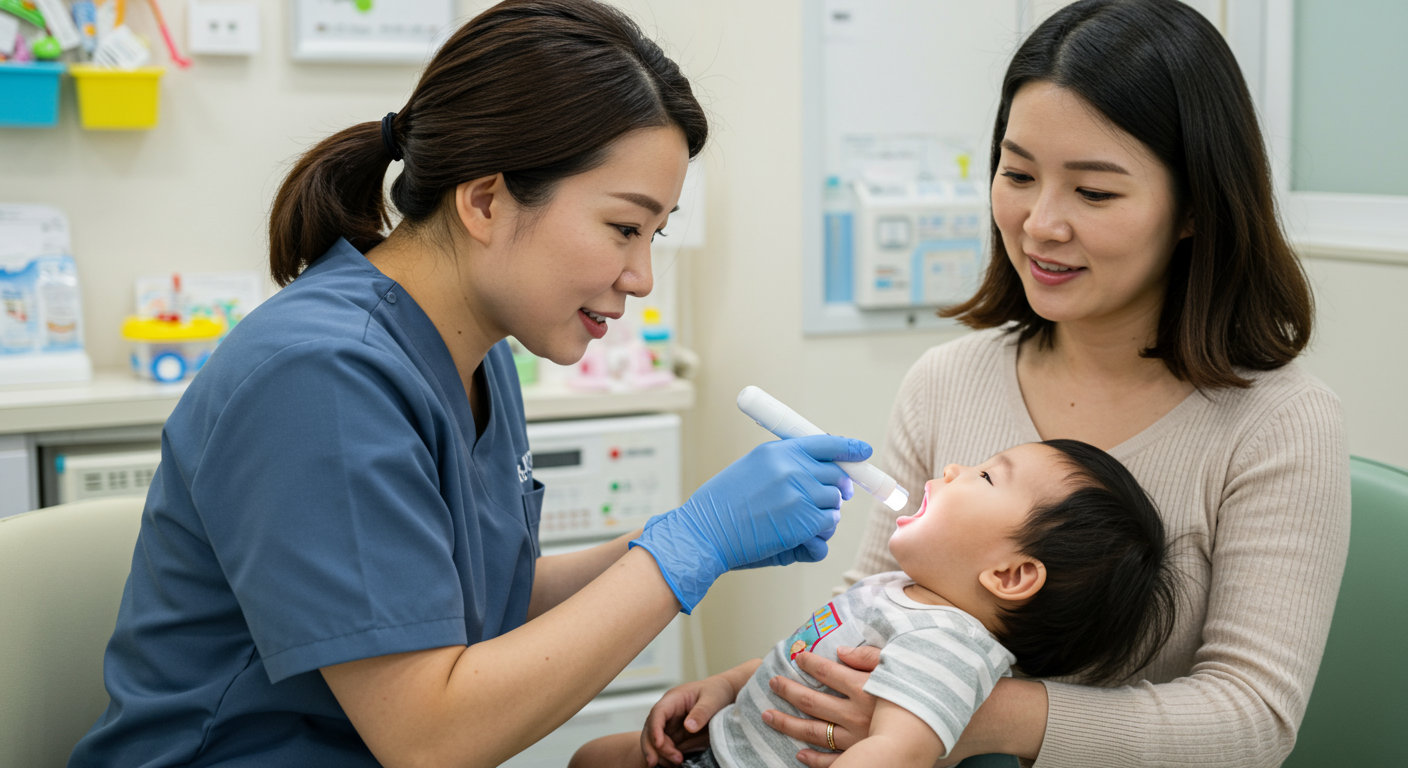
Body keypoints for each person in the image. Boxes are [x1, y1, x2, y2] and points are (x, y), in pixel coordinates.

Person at [67, 2, 872, 767]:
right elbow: (431, 740)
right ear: (486, 200)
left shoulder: (477, 352)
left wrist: (688, 540)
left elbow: (466, 600)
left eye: (655, 234)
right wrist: (690, 547)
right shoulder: (322, 378)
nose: (642, 277)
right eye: (624, 228)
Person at [754, 2, 1351, 766]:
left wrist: (962, 714)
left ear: (1195, 207)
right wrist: (752, 692)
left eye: (1093, 193)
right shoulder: (948, 379)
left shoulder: (1279, 422)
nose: (1039, 223)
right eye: (1018, 173)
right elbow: (865, 611)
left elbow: (1252, 721)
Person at [571, 440, 1179, 768]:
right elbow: (803, 659)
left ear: (1011, 574)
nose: (954, 467)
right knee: (589, 758)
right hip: (719, 744)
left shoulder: (948, 643)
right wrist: (727, 686)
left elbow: (900, 750)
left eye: (988, 478)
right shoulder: (895, 590)